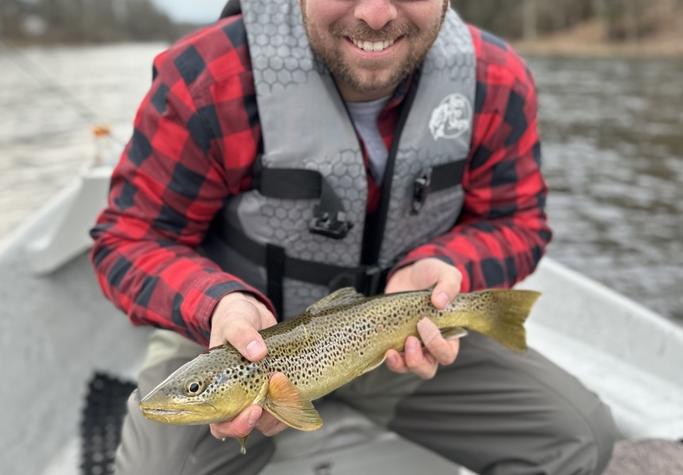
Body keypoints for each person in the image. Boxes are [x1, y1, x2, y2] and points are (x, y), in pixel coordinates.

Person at [90, 0, 617, 473]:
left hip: (403, 338)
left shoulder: (497, 79)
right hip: (229, 340)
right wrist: (217, 303)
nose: (375, 13)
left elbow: (518, 219)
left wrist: (445, 263)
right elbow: (128, 237)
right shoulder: (206, 76)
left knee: (580, 437)